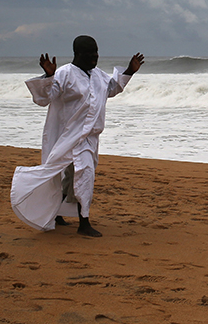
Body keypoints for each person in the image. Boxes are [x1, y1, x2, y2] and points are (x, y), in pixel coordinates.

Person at [10, 35, 144, 237]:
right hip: (67, 136)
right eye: (90, 53)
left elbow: (111, 89)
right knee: (83, 174)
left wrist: (129, 71)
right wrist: (48, 76)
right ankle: (84, 223)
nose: (94, 57)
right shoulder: (64, 74)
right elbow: (45, 98)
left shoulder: (98, 75)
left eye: (96, 52)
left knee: (74, 176)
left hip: (89, 137)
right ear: (78, 54)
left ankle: (57, 213)